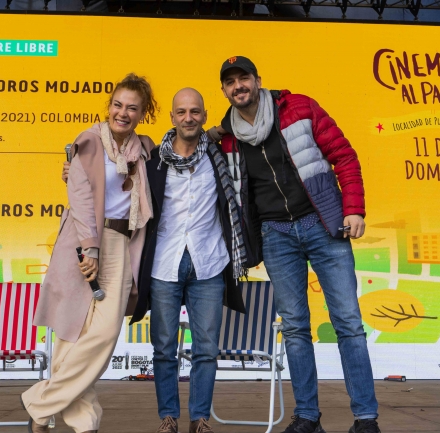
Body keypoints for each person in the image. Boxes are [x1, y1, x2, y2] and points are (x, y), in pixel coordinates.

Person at [209, 56, 381, 433]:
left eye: (244, 78)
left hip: (323, 226)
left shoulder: (299, 107)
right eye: (230, 82)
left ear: (258, 80)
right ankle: (307, 417)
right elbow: (182, 155)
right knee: (295, 327)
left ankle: (365, 418)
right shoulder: (226, 137)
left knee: (348, 322)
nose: (238, 86)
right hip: (276, 235)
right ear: (224, 90)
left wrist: (353, 209)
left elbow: (344, 156)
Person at [23, 73, 158, 433]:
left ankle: (39, 406)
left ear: (143, 112)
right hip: (84, 243)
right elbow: (81, 200)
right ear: (108, 106)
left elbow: (183, 148)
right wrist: (91, 249)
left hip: (124, 244)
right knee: (73, 332)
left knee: (103, 334)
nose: (122, 113)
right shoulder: (88, 141)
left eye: (132, 107)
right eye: (118, 104)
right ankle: (85, 423)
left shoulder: (145, 149)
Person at [129, 88, 247, 433]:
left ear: (205, 116)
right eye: (181, 112)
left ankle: (200, 419)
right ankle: (168, 416)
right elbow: (115, 177)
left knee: (206, 348)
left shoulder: (221, 160)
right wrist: (71, 169)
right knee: (164, 347)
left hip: (209, 261)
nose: (188, 118)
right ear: (172, 117)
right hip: (164, 262)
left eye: (195, 112)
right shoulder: (152, 162)